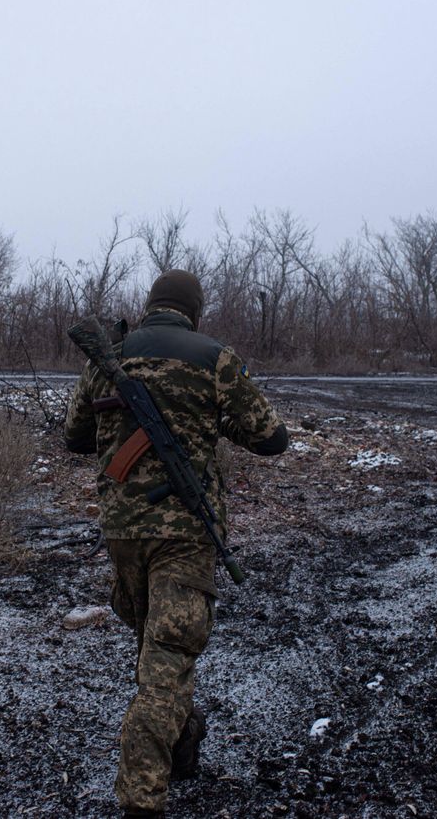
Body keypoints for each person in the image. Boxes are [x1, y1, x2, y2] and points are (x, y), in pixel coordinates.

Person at [63, 269, 288, 818]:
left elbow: (75, 438)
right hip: (185, 534)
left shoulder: (109, 357)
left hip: (122, 531)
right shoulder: (214, 357)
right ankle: (141, 799)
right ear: (196, 309)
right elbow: (271, 439)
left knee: (159, 653)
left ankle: (183, 741)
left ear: (150, 306)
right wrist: (211, 421)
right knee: (165, 661)